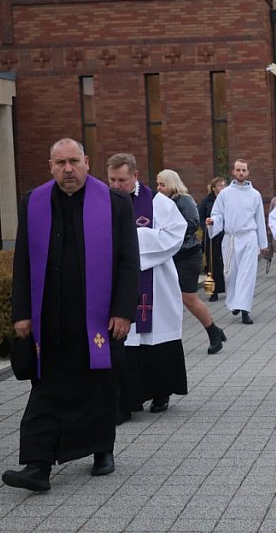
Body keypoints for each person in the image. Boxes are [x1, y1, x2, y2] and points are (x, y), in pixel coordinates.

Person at [4, 138, 139, 492]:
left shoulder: (115, 203)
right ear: (50, 165)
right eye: (60, 163)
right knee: (45, 390)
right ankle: (36, 466)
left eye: (74, 161)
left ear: (87, 162)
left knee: (97, 387)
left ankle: (101, 449)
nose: (68, 169)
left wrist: (123, 311)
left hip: (98, 319)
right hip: (49, 319)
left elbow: (129, 262)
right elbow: (22, 261)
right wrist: (22, 312)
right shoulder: (33, 203)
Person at [106, 153, 188, 421]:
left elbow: (176, 234)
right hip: (118, 282)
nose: (117, 186)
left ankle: (161, 392)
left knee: (156, 339)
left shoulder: (158, 203)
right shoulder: (102, 202)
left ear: (136, 176)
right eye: (112, 180)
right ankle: (127, 399)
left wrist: (132, 240)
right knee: (126, 342)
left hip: (155, 279)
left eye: (123, 180)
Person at [157, 169, 226, 355]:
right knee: (172, 298)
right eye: (158, 184)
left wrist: (169, 232)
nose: (159, 188)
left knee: (189, 298)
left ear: (172, 183)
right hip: (172, 256)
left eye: (162, 184)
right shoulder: (163, 202)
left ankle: (213, 332)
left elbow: (193, 223)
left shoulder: (184, 200)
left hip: (188, 255)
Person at [207, 159, 268, 325]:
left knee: (246, 275)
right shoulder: (225, 194)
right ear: (233, 172)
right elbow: (218, 213)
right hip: (231, 238)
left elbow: (259, 219)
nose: (241, 173)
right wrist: (213, 221)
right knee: (232, 274)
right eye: (238, 170)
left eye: (244, 170)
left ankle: (245, 310)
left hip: (248, 237)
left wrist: (263, 244)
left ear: (248, 172)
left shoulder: (255, 195)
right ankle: (235, 302)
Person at [198, 177, 227, 302]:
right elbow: (201, 217)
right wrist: (207, 227)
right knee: (212, 264)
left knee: (226, 263)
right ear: (214, 188)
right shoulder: (207, 201)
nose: (222, 188)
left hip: (226, 235)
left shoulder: (228, 199)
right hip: (211, 237)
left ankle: (230, 288)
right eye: (220, 185)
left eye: (224, 185)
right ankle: (214, 291)